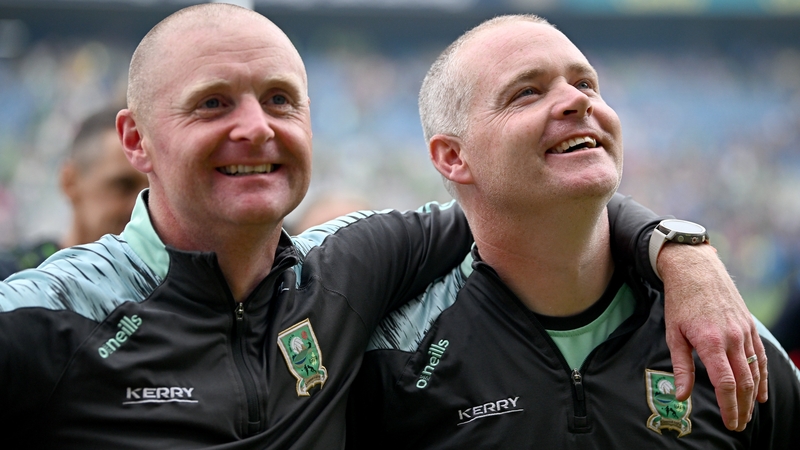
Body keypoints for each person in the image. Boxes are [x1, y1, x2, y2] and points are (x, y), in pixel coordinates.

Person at [0, 4, 768, 449]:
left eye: (279, 100)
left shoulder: (349, 269)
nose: (255, 129)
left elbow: (529, 199)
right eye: (211, 104)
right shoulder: (53, 314)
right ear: (136, 142)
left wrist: (679, 248)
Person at [346, 15, 800, 449]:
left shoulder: (728, 340)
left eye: (585, 83)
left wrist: (684, 251)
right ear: (452, 157)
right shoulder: (391, 359)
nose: (578, 100)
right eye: (526, 92)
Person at [0, 106, 148, 279]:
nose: (143, 204)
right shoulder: (12, 280)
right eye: (123, 185)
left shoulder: (167, 292)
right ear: (69, 182)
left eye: (152, 191)